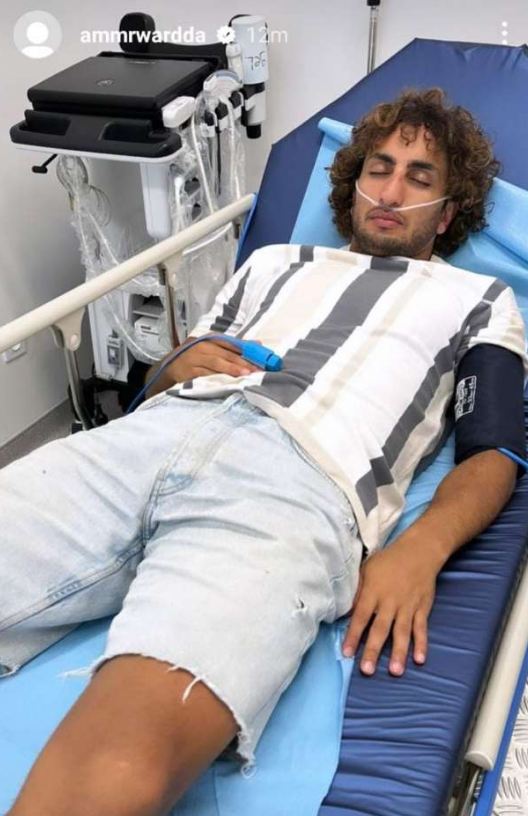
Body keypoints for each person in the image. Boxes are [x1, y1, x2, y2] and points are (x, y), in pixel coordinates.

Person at [1, 87, 526, 816]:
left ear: (446, 213)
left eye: (419, 177)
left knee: (124, 757)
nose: (390, 191)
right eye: (378, 168)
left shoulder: (481, 296)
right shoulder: (272, 260)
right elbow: (169, 375)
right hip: (142, 442)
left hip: (292, 490)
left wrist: (421, 549)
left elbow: (494, 452)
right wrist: (169, 370)